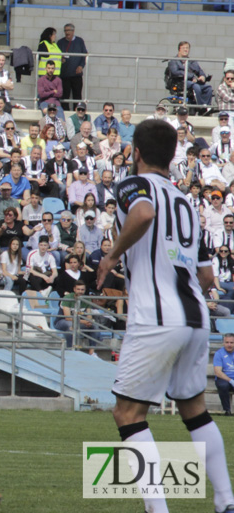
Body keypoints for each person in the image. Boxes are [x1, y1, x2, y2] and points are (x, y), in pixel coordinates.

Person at [95, 119, 234, 513]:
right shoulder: (187, 202)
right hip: (195, 317)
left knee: (127, 412)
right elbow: (208, 275)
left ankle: (158, 510)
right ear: (173, 155)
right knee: (194, 409)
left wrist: (112, 254)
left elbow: (141, 215)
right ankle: (225, 501)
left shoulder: (132, 186)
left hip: (156, 315)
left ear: (135, 152)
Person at [215, 334, 234, 416]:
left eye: (232, 342)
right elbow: (218, 372)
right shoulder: (219, 354)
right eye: (227, 342)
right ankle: (227, 410)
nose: (229, 344)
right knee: (223, 386)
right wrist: (231, 380)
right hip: (223, 379)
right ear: (223, 343)